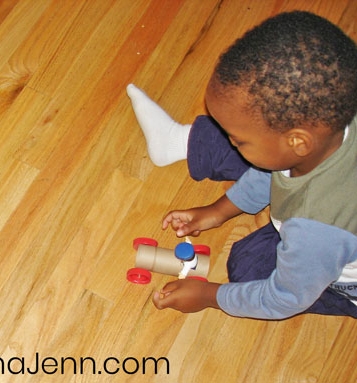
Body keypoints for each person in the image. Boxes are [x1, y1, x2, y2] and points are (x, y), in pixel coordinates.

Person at [126, 11, 357, 319]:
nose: (231, 141)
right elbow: (276, 170)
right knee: (254, 134)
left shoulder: (315, 229)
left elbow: (285, 298)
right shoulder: (327, 124)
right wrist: (218, 211)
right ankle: (178, 141)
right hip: (305, 181)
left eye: (237, 139)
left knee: (247, 266)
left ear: (298, 142)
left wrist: (209, 295)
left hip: (335, 262)